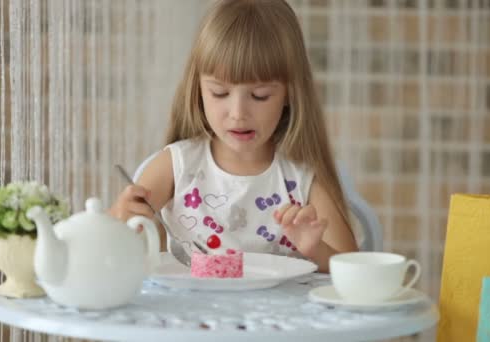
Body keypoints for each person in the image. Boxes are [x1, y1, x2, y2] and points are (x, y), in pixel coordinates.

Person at [110, 0, 357, 272]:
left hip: (279, 313)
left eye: (260, 96)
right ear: (198, 90)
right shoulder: (177, 165)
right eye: (220, 93)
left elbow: (354, 267)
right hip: (194, 312)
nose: (238, 113)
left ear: (290, 93)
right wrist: (121, 220)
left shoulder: (301, 178)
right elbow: (113, 242)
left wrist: (316, 250)